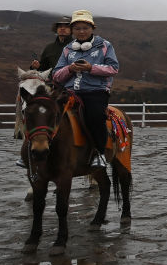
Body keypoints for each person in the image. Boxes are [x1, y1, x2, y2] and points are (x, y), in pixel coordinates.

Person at [51, 10, 119, 169]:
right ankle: (36, 150)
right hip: (69, 92)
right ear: (72, 30)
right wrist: (70, 69)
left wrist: (91, 68)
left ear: (92, 28)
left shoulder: (105, 46)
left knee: (95, 116)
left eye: (85, 28)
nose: (81, 32)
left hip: (95, 91)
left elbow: (113, 68)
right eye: (77, 28)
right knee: (44, 110)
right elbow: (56, 75)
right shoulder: (68, 49)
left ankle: (100, 153)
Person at [15, 16, 73, 166]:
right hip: (52, 88)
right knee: (36, 116)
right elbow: (43, 70)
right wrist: (36, 66)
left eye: (66, 26)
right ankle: (26, 153)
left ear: (71, 29)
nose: (62, 28)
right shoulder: (49, 48)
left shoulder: (75, 46)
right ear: (56, 29)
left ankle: (92, 153)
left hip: (73, 87)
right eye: (60, 26)